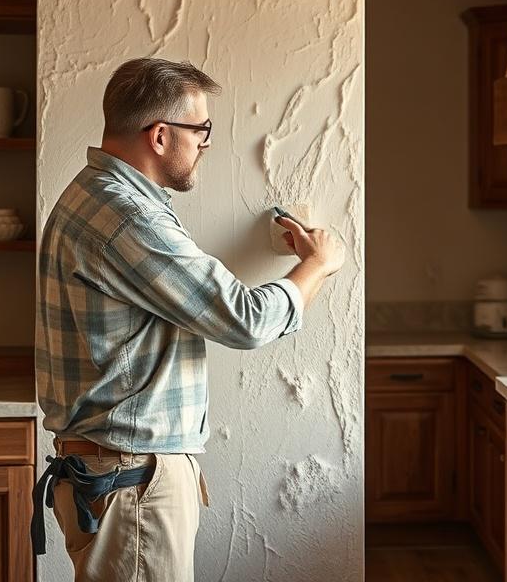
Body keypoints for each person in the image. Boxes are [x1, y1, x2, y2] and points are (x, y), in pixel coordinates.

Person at [32, 57, 344, 581]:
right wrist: (317, 265)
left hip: (116, 473)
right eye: (201, 130)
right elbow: (245, 320)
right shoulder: (128, 217)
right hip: (131, 480)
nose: (204, 143)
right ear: (159, 136)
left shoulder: (97, 196)